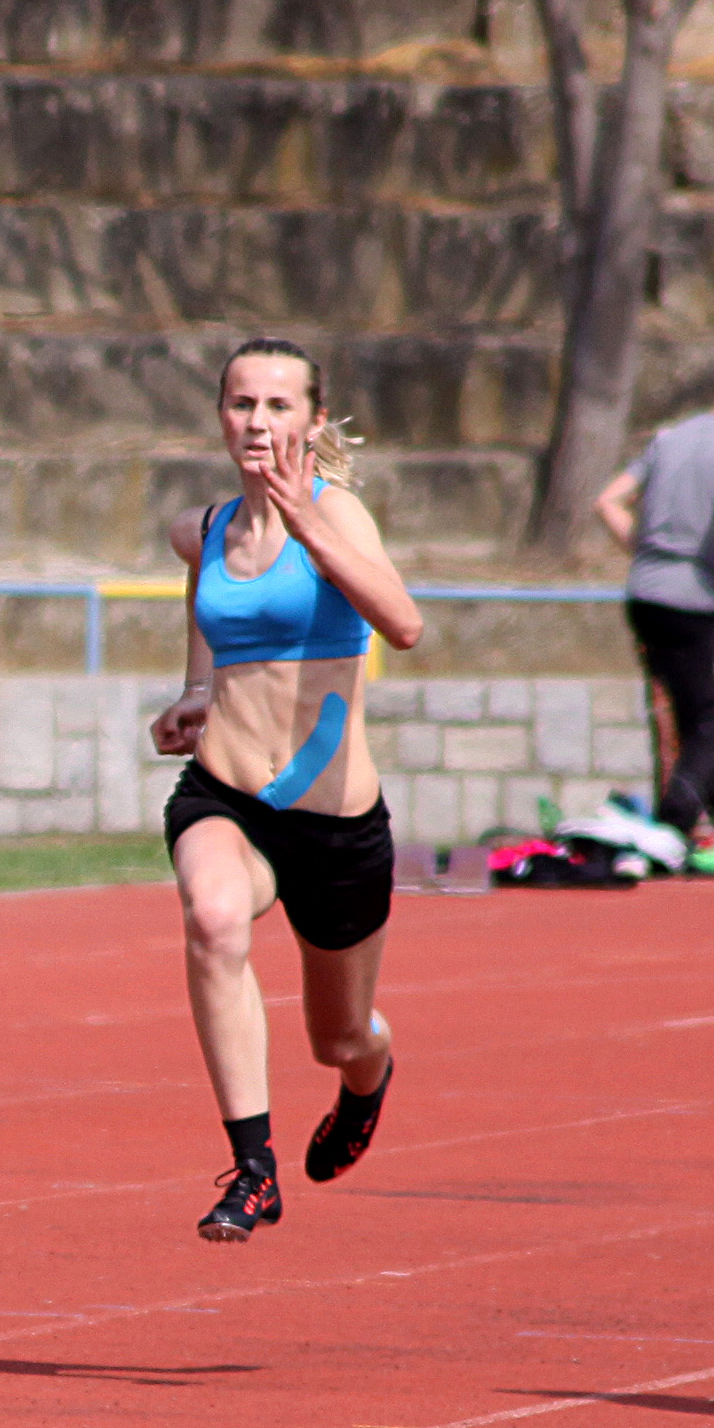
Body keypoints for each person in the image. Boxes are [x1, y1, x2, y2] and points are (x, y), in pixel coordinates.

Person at [146, 339, 425, 1243]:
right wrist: (197, 690)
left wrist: (309, 526)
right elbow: (199, 575)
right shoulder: (210, 528)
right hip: (228, 795)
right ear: (221, 416)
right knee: (214, 918)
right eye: (241, 404)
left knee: (338, 1037)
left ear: (311, 418)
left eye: (277, 406)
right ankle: (253, 1168)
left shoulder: (338, 514)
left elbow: (404, 625)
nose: (258, 422)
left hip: (335, 827)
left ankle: (368, 1079)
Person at [591, 338, 714, 889]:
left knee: (693, 728)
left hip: (644, 596)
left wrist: (646, 552)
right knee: (709, 723)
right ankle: (668, 830)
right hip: (694, 600)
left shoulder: (669, 437)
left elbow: (607, 500)